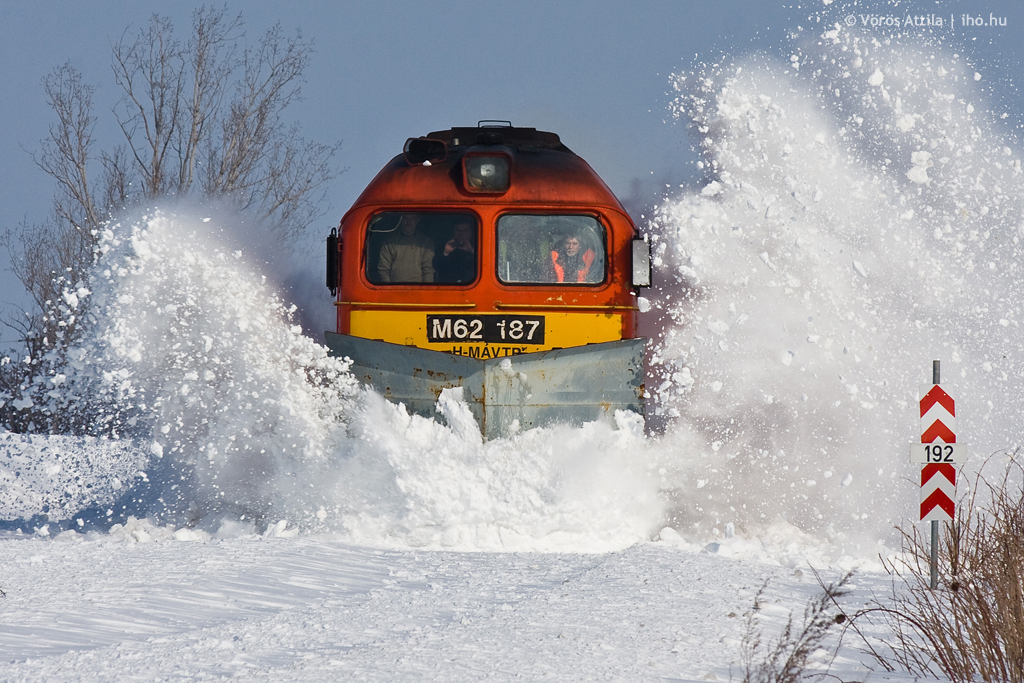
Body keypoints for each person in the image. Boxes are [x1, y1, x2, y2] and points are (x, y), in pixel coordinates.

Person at [377, 214, 435, 283]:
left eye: (412, 218)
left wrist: (426, 292)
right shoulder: (389, 241)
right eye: (405, 218)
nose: (408, 222)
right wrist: (389, 290)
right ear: (401, 220)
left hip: (418, 289)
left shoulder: (426, 242)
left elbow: (428, 270)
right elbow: (383, 270)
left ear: (417, 220)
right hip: (394, 289)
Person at [434, 219, 477, 284]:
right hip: (450, 286)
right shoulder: (444, 246)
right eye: (458, 230)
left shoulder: (478, 245)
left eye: (465, 230)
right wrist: (445, 253)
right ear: (453, 231)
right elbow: (435, 266)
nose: (461, 233)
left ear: (470, 232)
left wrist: (471, 251)